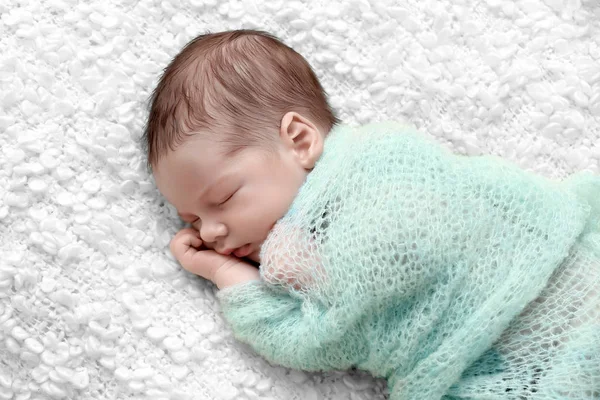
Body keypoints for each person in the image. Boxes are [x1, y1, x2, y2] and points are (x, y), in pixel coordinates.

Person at [144, 29, 600, 399]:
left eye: (223, 198)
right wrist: (220, 267)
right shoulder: (291, 248)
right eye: (194, 222)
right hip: (499, 361)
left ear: (300, 141)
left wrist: (260, 271)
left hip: (557, 279)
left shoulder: (383, 158)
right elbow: (320, 334)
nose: (213, 231)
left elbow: (316, 333)